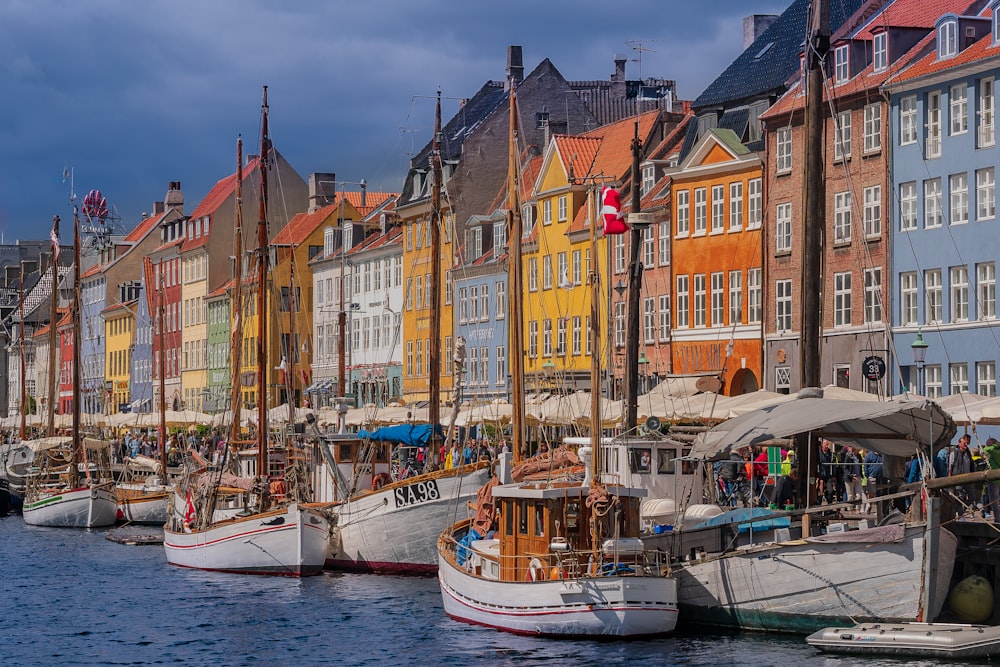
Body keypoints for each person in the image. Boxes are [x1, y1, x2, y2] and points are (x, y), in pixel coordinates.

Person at [948, 434, 975, 507]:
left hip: (968, 478)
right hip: (958, 478)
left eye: (967, 443)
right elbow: (950, 465)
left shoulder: (968, 453)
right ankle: (960, 513)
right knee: (959, 497)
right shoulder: (954, 452)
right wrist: (950, 478)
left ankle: (965, 510)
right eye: (964, 443)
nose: (966, 445)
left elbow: (971, 464)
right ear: (959, 443)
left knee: (972, 496)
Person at [982, 437, 1000, 525]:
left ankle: (998, 520)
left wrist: (993, 446)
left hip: (994, 481)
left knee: (995, 502)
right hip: (996, 480)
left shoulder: (995, 452)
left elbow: (984, 449)